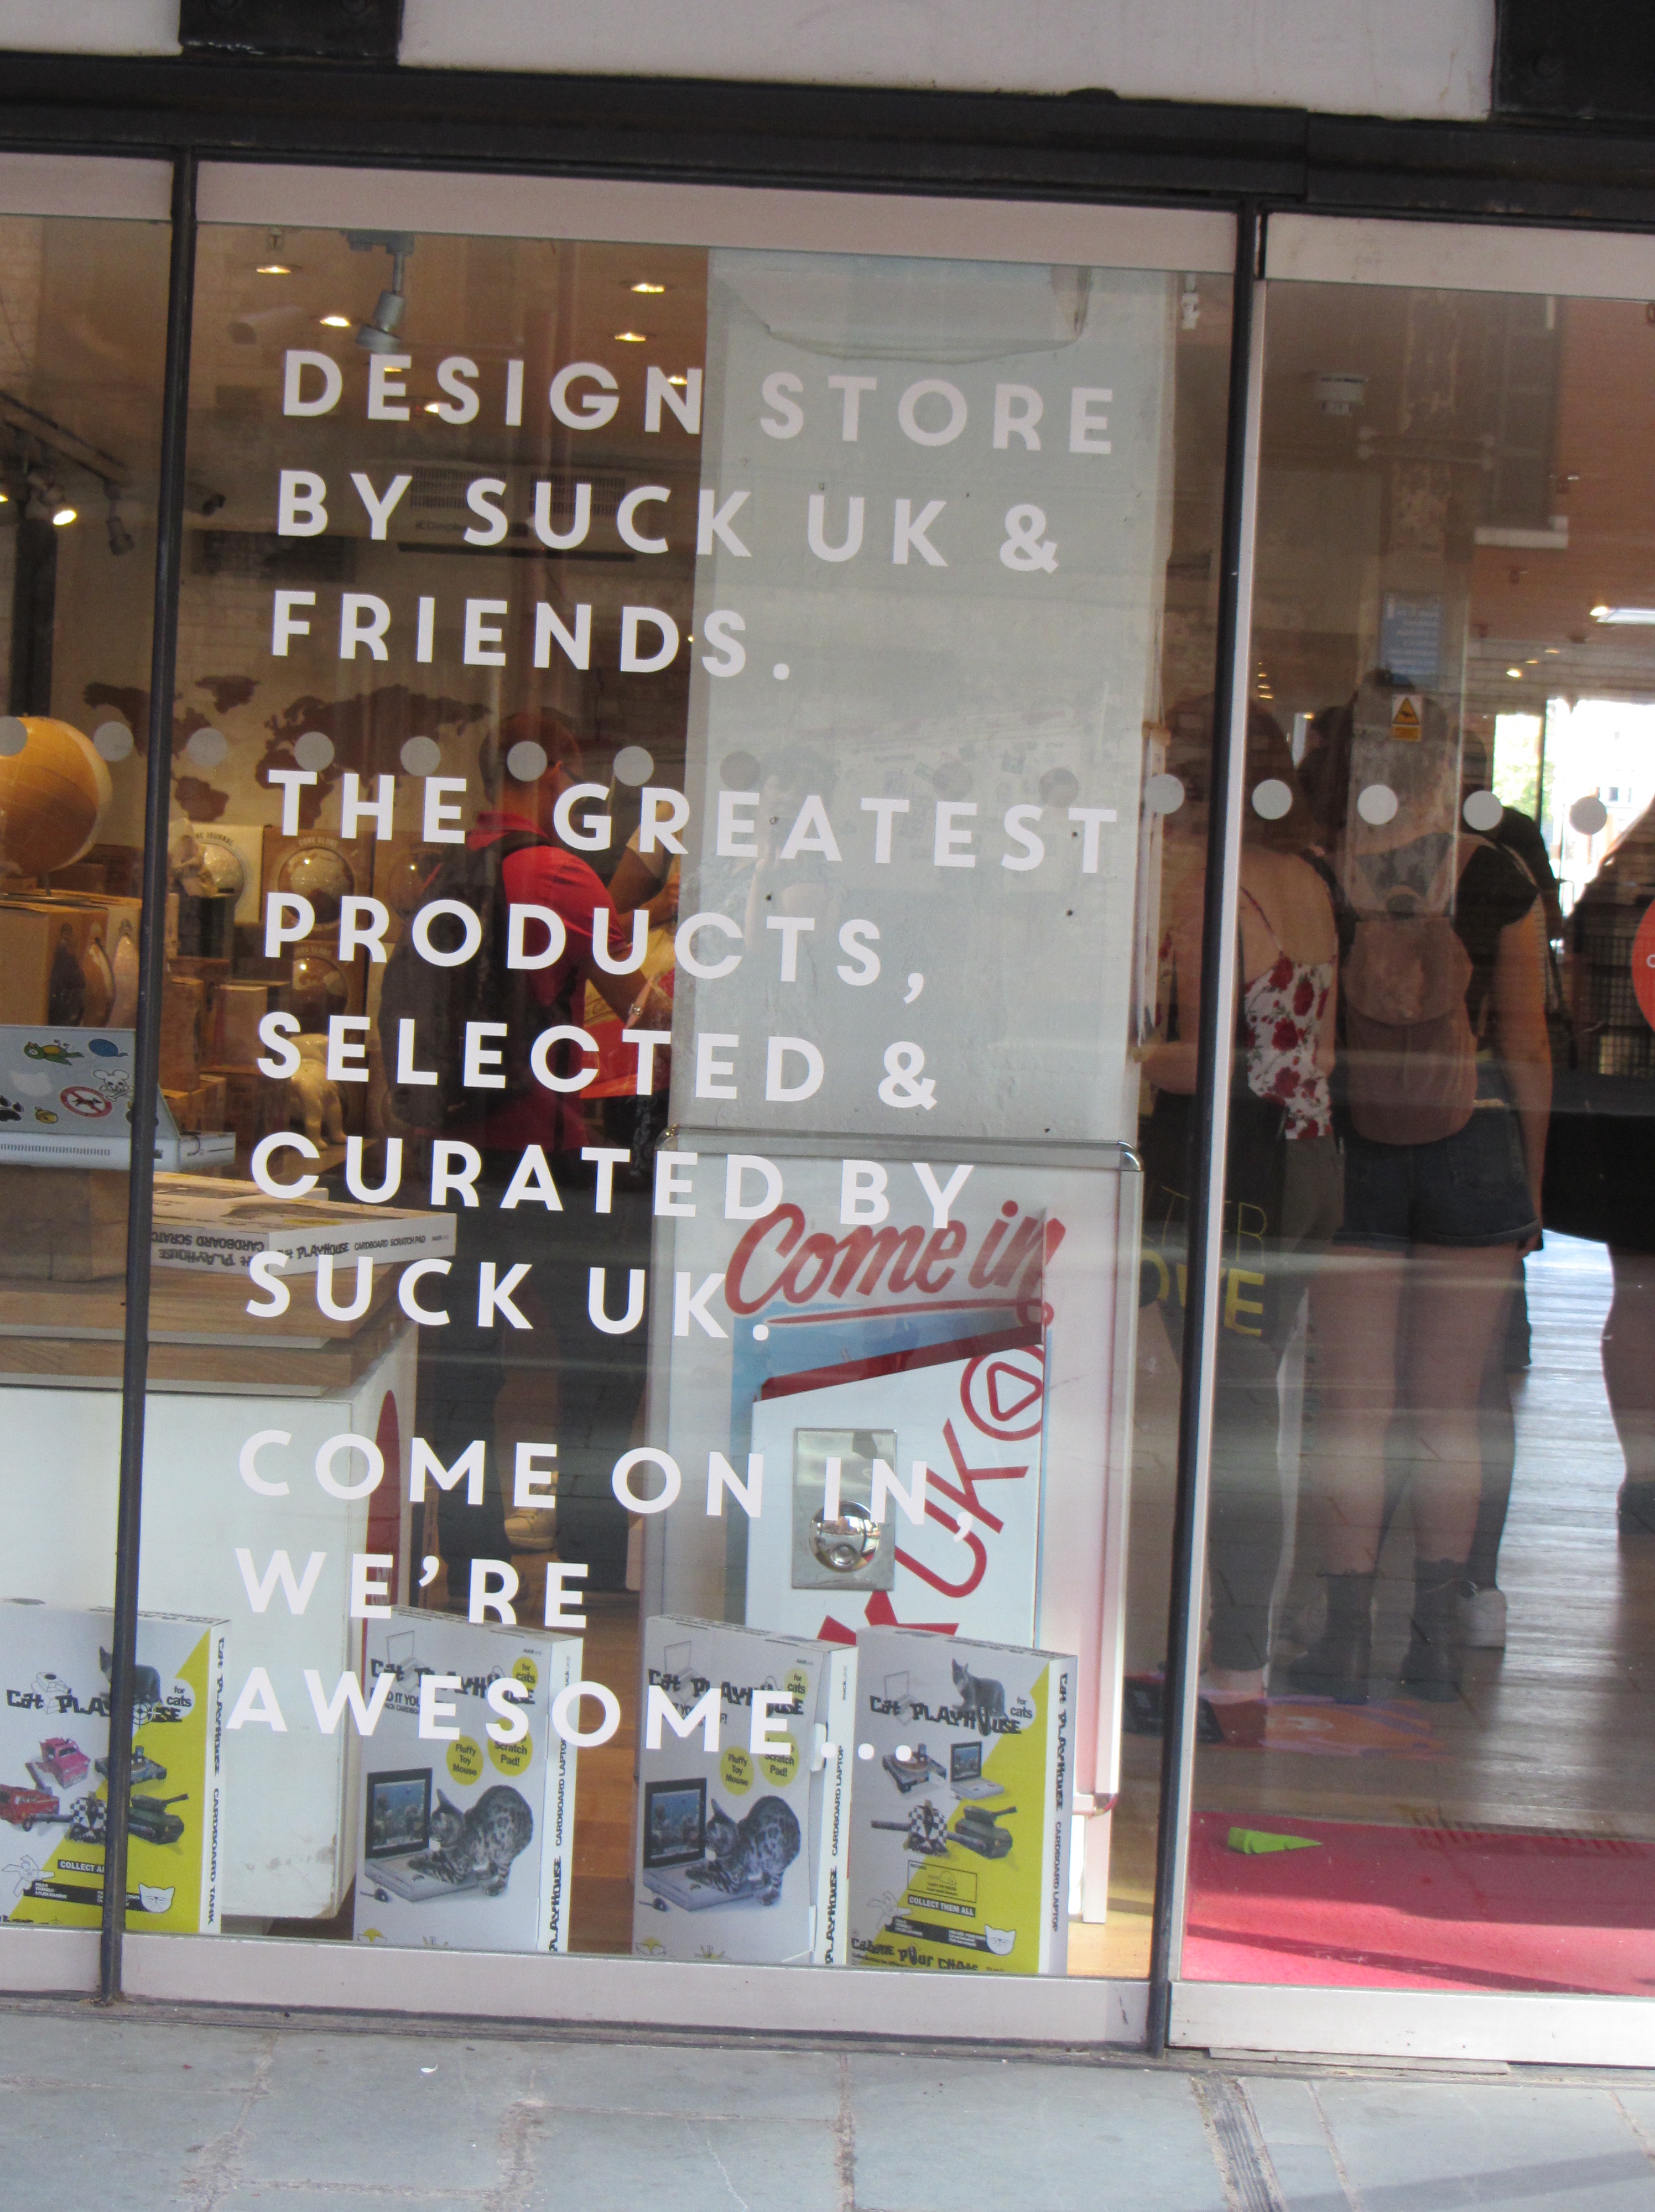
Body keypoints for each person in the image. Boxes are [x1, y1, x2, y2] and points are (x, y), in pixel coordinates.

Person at [1289, 688, 1551, 1704]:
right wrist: (1529, 1188)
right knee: (1450, 1404)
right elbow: (1528, 1046)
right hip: (1474, 1142)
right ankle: (1436, 1643)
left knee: (1355, 1409)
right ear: (1452, 772)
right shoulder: (1500, 878)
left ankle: (1343, 1640)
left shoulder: (1316, 874)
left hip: (1352, 1142)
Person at [413, 709, 670, 1601]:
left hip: (458, 1151)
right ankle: (592, 1549)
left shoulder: (448, 870)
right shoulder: (560, 875)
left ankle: (471, 1552)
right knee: (605, 1352)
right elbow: (637, 1005)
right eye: (572, 773)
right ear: (552, 772)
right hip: (545, 1152)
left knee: (464, 1362)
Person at [1140, 716, 1341, 1738]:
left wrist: (1117, 1051)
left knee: (1233, 1420)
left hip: (1228, 1173)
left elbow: (1208, 1061)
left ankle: (1232, 1672)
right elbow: (1309, 1049)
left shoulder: (1205, 889)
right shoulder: (1310, 879)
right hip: (1308, 1164)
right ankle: (1235, 1659)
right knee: (1253, 1409)